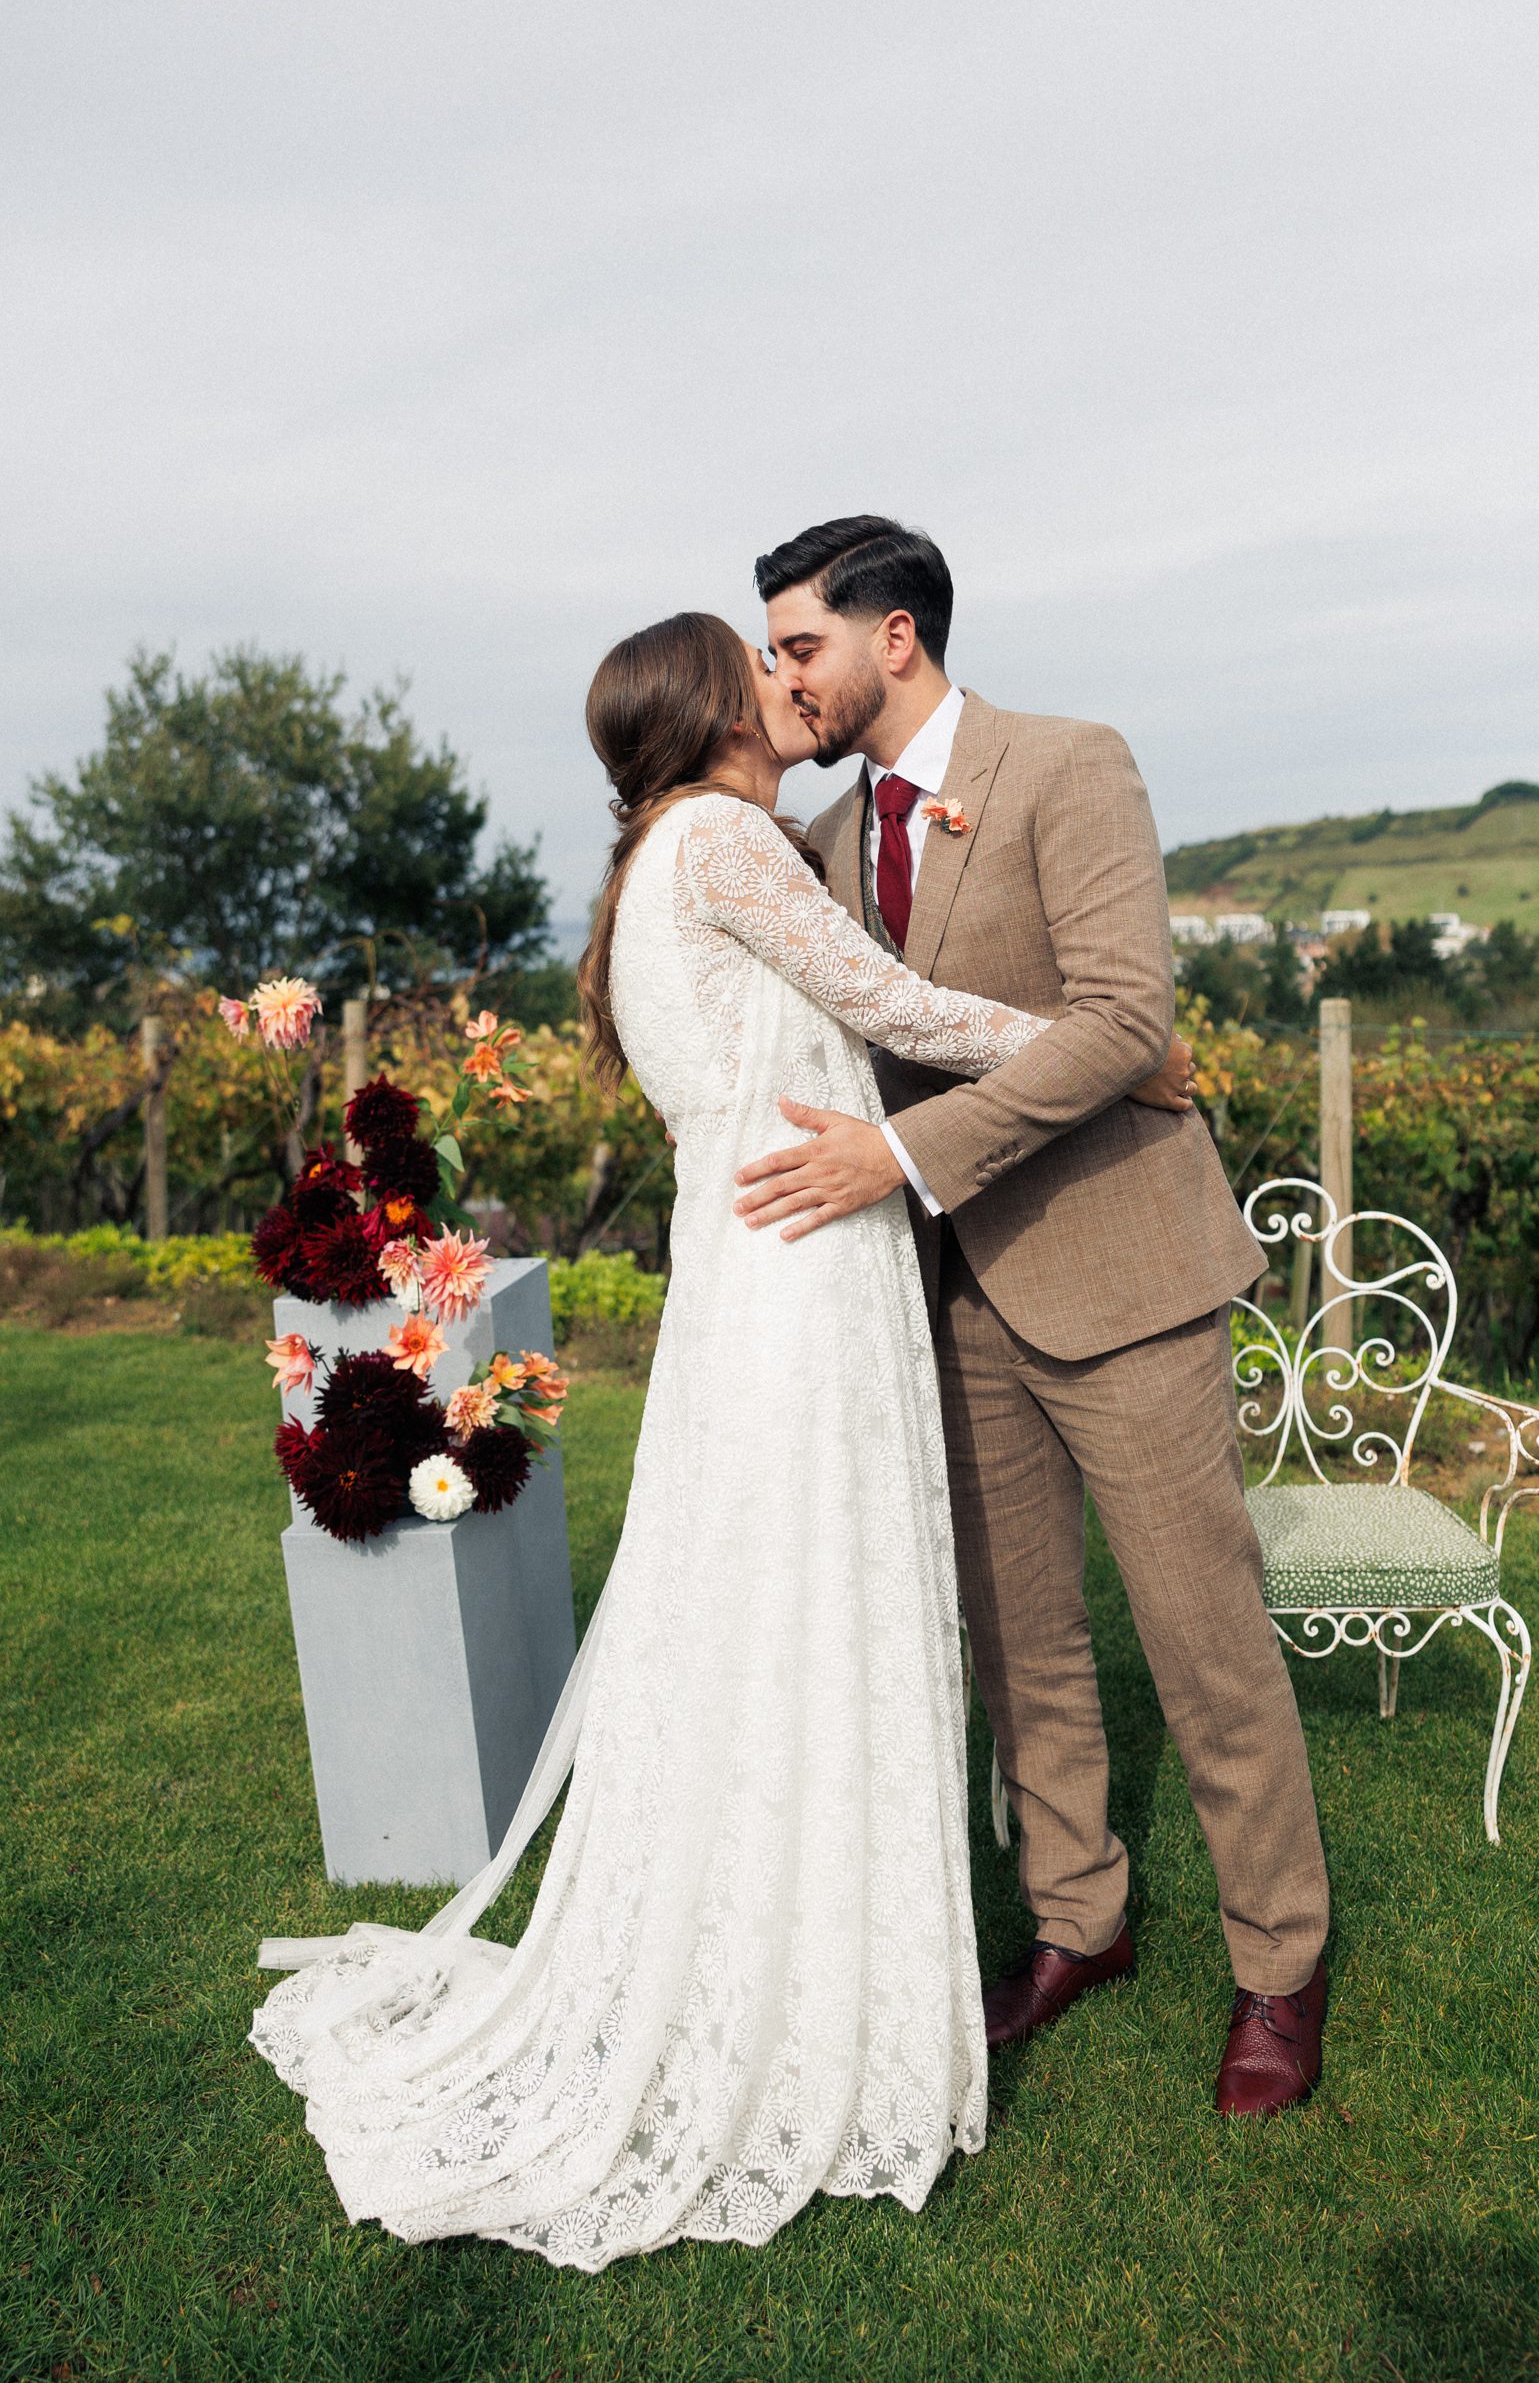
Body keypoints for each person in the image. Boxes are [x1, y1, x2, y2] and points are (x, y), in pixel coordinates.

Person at [249, 610, 1192, 2269]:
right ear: (711, 710)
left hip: (749, 1287)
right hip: (808, 1282)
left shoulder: (656, 871)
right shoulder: (730, 842)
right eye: (758, 664)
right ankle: (818, 2000)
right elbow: (895, 999)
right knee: (819, 1604)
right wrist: (1110, 1058)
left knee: (758, 1611)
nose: (787, 681)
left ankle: (785, 1934)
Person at [736, 517, 1331, 2117]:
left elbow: (1130, 1018)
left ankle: (1280, 1966)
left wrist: (902, 1154)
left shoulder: (1073, 765)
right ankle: (1083, 1922)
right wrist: (772, 776)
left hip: (1121, 1274)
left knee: (1203, 1646)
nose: (782, 678)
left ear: (896, 638)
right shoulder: (831, 837)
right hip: (954, 1298)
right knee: (1023, 1647)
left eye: (799, 646)